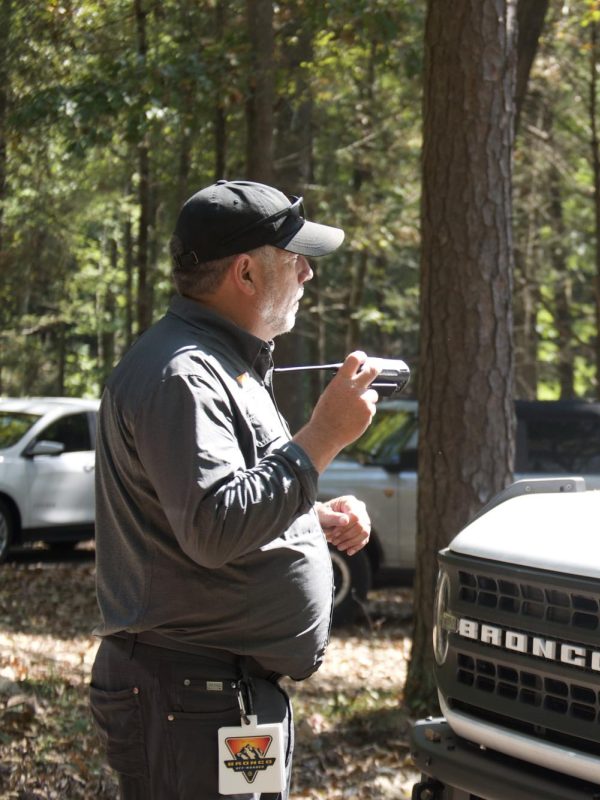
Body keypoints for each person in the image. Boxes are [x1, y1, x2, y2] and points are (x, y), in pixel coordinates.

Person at [89, 179, 380, 799]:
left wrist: (309, 518)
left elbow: (219, 505)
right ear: (246, 274)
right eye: (295, 258)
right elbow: (214, 526)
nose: (307, 274)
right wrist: (323, 436)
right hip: (190, 697)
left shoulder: (223, 364)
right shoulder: (184, 375)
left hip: (216, 696)